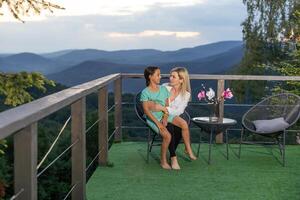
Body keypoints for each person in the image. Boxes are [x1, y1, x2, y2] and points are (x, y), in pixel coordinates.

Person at [147, 67, 196, 170]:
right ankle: (173, 157)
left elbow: (180, 111)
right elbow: (156, 103)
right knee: (171, 127)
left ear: (182, 80)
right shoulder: (164, 87)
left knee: (182, 125)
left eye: (174, 77)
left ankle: (187, 149)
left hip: (172, 115)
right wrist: (165, 111)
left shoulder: (186, 95)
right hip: (159, 115)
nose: (170, 78)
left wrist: (166, 110)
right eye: (170, 76)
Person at [140, 66, 174, 170]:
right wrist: (158, 123)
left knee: (181, 125)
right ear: (150, 77)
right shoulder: (145, 92)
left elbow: (168, 106)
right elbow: (146, 111)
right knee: (167, 136)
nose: (160, 76)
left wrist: (165, 116)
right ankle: (163, 161)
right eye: (158, 75)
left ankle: (174, 157)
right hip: (153, 118)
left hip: (164, 115)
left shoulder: (163, 89)